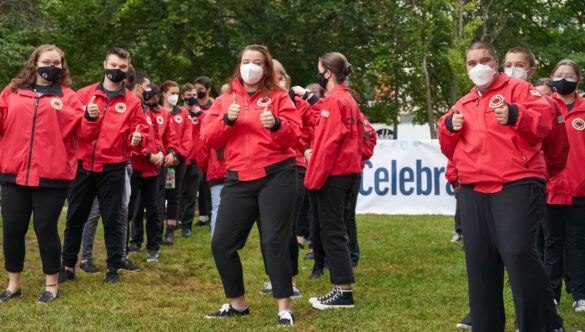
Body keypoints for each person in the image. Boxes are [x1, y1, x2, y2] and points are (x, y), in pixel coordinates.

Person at [438, 41, 564, 332]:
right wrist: (448, 128)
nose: (478, 67)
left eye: (484, 60)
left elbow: (546, 122)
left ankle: (539, 323)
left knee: (518, 251)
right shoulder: (464, 102)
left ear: (496, 63)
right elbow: (448, 147)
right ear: (466, 67)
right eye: (472, 63)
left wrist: (517, 115)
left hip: (517, 181)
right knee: (480, 262)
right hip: (474, 187)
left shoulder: (519, 90)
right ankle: (486, 325)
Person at [201, 44, 300, 326]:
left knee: (274, 241)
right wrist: (227, 120)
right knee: (221, 244)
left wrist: (278, 125)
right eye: (246, 61)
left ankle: (284, 308)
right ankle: (238, 305)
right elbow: (208, 139)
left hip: (277, 176)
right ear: (239, 65)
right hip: (237, 179)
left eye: (257, 62)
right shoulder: (224, 101)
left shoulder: (279, 98)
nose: (251, 66)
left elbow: (294, 137)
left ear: (266, 68)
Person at [0, 44, 101, 303]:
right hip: (14, 173)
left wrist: (90, 119)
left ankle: (51, 284)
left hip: (52, 175)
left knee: (45, 228)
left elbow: (84, 134)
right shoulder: (12, 92)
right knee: (12, 228)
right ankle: (14, 285)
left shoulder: (67, 97)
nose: (52, 66)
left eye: (57, 63)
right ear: (35, 63)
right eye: (47, 61)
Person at [60, 47, 150, 285]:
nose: (116, 70)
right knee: (75, 218)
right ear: (104, 64)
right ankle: (68, 265)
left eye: (122, 67)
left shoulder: (131, 102)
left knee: (112, 219)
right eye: (113, 65)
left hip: (113, 167)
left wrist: (138, 141)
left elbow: (141, 134)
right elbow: (71, 130)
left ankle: (113, 268)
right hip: (83, 165)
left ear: (127, 69)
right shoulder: (83, 94)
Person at [304, 52, 363, 310]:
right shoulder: (347, 98)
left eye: (319, 68)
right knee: (338, 229)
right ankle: (341, 287)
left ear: (327, 73)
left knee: (332, 231)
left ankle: (343, 291)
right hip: (348, 172)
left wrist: (313, 180)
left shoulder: (334, 101)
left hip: (334, 175)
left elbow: (327, 145)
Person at [546, 59, 585, 312]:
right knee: (551, 243)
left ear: (578, 80)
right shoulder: (545, 106)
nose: (563, 79)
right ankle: (551, 293)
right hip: (550, 188)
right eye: (559, 74)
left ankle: (580, 294)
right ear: (552, 77)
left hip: (580, 188)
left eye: (569, 75)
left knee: (578, 243)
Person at [160, 80, 190, 245]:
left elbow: (187, 136)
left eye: (177, 93)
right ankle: (155, 230)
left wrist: (178, 155)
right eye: (172, 93)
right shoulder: (156, 112)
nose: (175, 96)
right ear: (163, 94)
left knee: (174, 195)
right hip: (159, 160)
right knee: (157, 196)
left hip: (178, 161)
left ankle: (170, 231)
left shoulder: (183, 113)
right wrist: (164, 156)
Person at [178, 82, 206, 235]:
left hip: (196, 159)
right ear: (183, 97)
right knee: (176, 191)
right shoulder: (179, 113)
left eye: (194, 96)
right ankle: (175, 220)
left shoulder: (200, 114)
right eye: (189, 96)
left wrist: (199, 112)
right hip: (179, 158)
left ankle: (186, 225)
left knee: (191, 193)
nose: (192, 98)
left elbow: (208, 127)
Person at [192, 76, 214, 228]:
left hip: (209, 152)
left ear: (208, 90)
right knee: (197, 186)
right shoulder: (189, 106)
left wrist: (199, 112)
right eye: (196, 89)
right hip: (192, 152)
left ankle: (213, 216)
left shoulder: (213, 106)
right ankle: (202, 217)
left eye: (201, 90)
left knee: (207, 186)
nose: (198, 92)